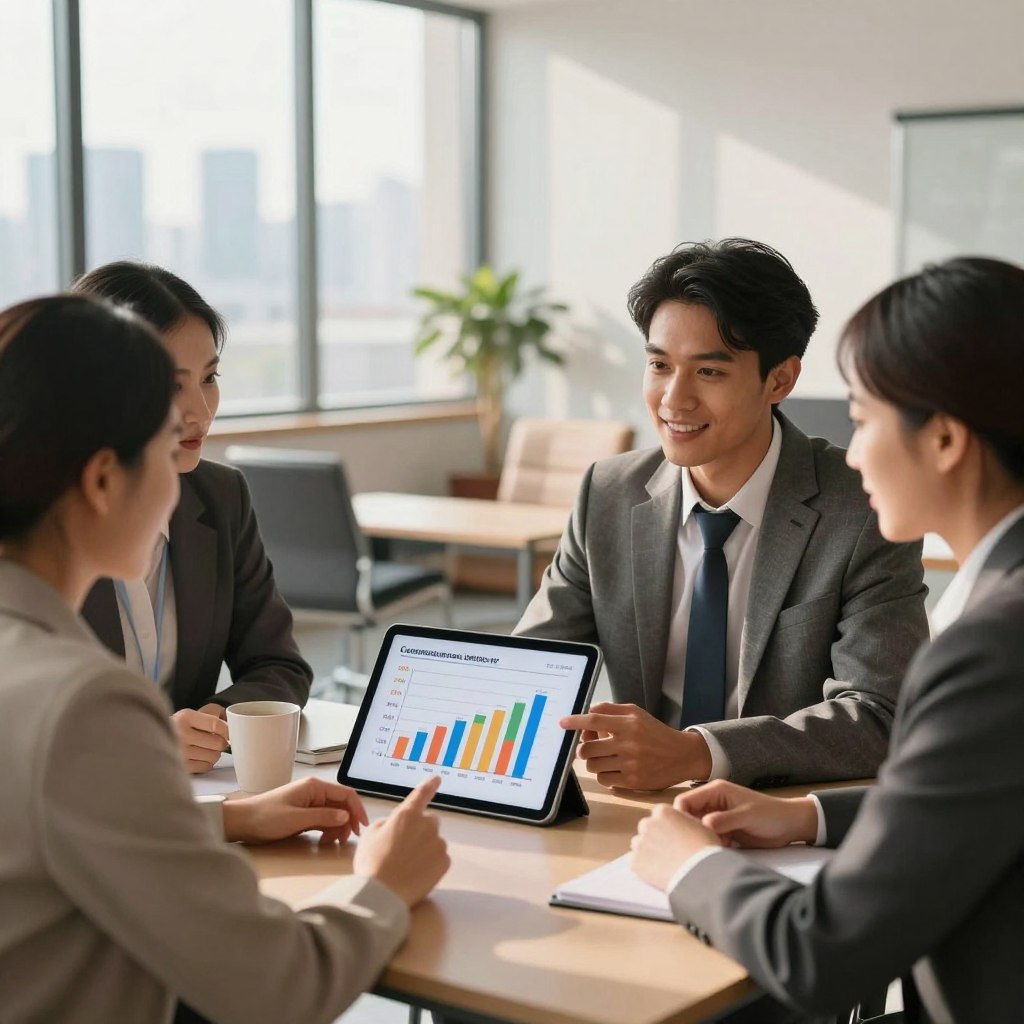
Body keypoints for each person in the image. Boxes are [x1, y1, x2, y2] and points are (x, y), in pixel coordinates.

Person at [0, 294, 450, 1024]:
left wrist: (230, 820)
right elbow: (277, 987)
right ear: (104, 480)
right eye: (160, 450)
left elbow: (40, 842)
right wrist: (384, 884)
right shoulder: (83, 704)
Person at [631, 256, 1024, 1023]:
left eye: (862, 416)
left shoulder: (992, 648)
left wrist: (693, 867)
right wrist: (809, 814)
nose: (851, 446)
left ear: (943, 438)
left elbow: (821, 955)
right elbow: (986, 798)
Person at [515, 238, 929, 791]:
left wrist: (698, 754)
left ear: (779, 379)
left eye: (708, 373)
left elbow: (881, 714)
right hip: (643, 804)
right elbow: (529, 668)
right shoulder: (608, 494)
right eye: (660, 365)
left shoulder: (862, 507)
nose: (674, 400)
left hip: (785, 809)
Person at [73, 261, 311, 774]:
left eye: (210, 378)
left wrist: (217, 721)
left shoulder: (220, 496)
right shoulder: (34, 521)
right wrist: (146, 743)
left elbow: (278, 663)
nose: (201, 412)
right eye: (171, 385)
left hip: (193, 796)